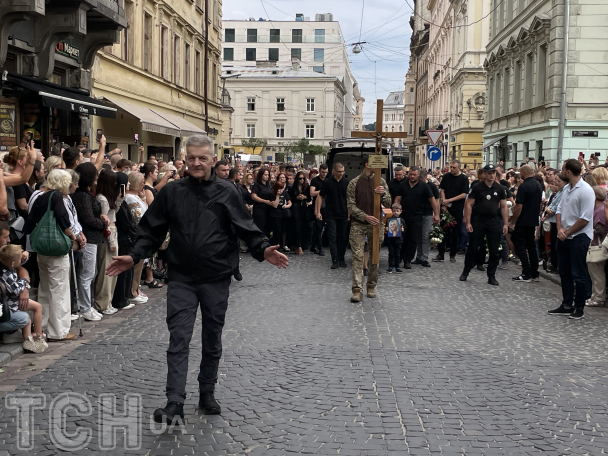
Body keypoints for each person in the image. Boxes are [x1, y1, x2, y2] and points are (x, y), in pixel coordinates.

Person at [106, 135, 288, 424]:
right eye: (191, 157)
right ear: (186, 159)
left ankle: (207, 391)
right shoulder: (172, 192)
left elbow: (246, 226)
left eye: (202, 158)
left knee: (211, 337)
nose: (196, 163)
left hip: (216, 277)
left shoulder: (227, 191)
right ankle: (175, 401)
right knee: (179, 338)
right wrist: (135, 255)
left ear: (213, 160)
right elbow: (151, 229)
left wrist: (263, 248)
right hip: (181, 278)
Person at [24, 169, 78, 341]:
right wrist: (71, 235)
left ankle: (44, 325)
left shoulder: (40, 196)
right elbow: (63, 219)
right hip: (56, 247)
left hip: (42, 247)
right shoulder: (56, 197)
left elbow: (30, 222)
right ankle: (59, 331)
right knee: (60, 289)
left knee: (45, 288)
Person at [548, 159, 595, 320]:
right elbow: (559, 210)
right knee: (564, 271)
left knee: (578, 273)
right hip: (564, 235)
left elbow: (585, 219)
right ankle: (567, 303)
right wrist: (560, 228)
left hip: (579, 237)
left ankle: (579, 306)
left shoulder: (586, 190)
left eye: (562, 169)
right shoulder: (567, 188)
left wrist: (567, 232)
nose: (560, 172)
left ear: (568, 171)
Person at [346, 156, 391, 302]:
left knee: (374, 257)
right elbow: (351, 206)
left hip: (376, 223)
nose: (378, 167)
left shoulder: (381, 182)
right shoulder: (354, 183)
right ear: (367, 164)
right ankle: (357, 289)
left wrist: (382, 193)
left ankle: (371, 285)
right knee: (358, 257)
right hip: (358, 224)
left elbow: (388, 202)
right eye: (375, 163)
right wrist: (365, 216)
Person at [459, 164, 508, 286]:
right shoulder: (477, 187)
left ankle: (491, 275)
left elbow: (504, 206)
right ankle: (466, 272)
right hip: (479, 220)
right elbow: (469, 204)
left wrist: (506, 223)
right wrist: (468, 221)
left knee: (494, 250)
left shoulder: (500, 188)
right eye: (490, 173)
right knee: (473, 248)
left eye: (494, 173)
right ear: (484, 174)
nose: (492, 175)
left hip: (494, 221)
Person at [72, 162, 109, 321]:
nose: (97, 177)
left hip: (92, 237)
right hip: (88, 237)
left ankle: (88, 304)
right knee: (87, 273)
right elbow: (87, 219)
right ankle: (84, 306)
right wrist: (103, 223)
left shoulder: (87, 194)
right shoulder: (82, 196)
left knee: (90, 272)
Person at [0, 244, 47, 353]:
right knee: (37, 308)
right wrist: (24, 280)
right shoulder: (6, 274)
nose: (21, 260)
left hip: (13, 300)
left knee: (32, 315)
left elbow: (18, 262)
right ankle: (37, 337)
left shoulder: (8, 266)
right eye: (19, 258)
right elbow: (15, 289)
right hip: (12, 303)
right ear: (13, 263)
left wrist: (25, 256)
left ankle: (30, 340)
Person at [394, 166, 439, 269]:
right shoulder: (403, 185)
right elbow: (397, 199)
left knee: (413, 239)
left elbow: (433, 200)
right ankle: (399, 257)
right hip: (403, 216)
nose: (412, 176)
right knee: (402, 238)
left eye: (414, 175)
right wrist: (395, 210)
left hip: (417, 216)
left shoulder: (424, 186)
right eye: (410, 174)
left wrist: (436, 214)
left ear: (418, 175)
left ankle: (408, 260)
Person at [509, 165, 543, 282]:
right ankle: (535, 272)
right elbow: (539, 204)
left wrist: (513, 221)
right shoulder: (538, 185)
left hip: (523, 220)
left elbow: (519, 206)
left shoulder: (524, 186)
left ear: (524, 172)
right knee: (531, 246)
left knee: (519, 245)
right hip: (533, 219)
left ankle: (526, 272)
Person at [94, 169, 122, 315]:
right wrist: (111, 241)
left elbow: (113, 212)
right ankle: (103, 302)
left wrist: (119, 199)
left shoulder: (105, 197)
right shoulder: (102, 199)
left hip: (111, 232)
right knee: (107, 269)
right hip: (109, 235)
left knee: (110, 269)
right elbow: (106, 220)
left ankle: (106, 301)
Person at [435, 160, 469, 263]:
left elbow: (464, 194)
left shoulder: (464, 178)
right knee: (442, 230)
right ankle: (441, 253)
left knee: (455, 232)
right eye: (451, 167)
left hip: (457, 208)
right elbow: (443, 190)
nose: (452, 169)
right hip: (446, 207)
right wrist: (444, 202)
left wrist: (450, 200)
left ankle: (452, 254)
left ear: (459, 167)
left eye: (454, 167)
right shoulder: (446, 177)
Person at [316, 163, 349, 269]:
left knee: (343, 237)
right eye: (339, 171)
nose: (341, 173)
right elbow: (320, 196)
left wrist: (350, 213)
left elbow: (350, 199)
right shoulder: (327, 182)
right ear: (333, 171)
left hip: (343, 214)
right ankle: (334, 260)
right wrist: (318, 212)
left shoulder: (346, 183)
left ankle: (341, 258)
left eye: (342, 171)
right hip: (330, 214)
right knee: (332, 237)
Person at [585, 186, 608, 307]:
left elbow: (599, 228)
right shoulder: (598, 208)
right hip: (594, 243)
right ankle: (595, 296)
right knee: (594, 273)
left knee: (597, 273)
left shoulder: (600, 210)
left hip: (596, 244)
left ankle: (598, 297)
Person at [414, 169, 439, 267]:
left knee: (425, 236)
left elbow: (436, 201)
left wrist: (436, 214)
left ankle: (424, 257)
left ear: (424, 178)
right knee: (419, 236)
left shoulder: (432, 186)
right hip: (418, 213)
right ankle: (419, 256)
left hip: (428, 213)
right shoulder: (417, 185)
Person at [542, 175, 566, 273]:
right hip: (552, 221)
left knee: (557, 246)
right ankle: (554, 264)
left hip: (557, 222)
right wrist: (548, 210)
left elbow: (555, 209)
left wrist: (549, 210)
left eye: (558, 180)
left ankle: (557, 266)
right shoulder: (557, 193)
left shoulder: (564, 192)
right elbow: (551, 206)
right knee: (554, 245)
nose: (555, 182)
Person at [269, 173, 292, 252]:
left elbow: (290, 202)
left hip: (283, 213)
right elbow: (274, 205)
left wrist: (287, 206)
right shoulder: (272, 194)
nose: (281, 191)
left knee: (283, 230)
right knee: (276, 231)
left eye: (282, 189)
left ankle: (282, 245)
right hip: (275, 213)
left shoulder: (285, 193)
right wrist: (277, 196)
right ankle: (276, 246)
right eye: (279, 189)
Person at [310, 164, 328, 256]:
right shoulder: (315, 180)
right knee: (318, 227)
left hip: (326, 207)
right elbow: (312, 193)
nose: (324, 174)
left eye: (326, 172)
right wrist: (322, 191)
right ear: (319, 170)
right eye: (323, 172)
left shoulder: (328, 180)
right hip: (317, 207)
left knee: (321, 229)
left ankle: (313, 246)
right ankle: (320, 248)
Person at [251, 166, 274, 238]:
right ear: (261, 175)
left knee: (268, 227)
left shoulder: (269, 185)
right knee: (260, 227)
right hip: (260, 209)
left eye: (268, 175)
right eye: (265, 175)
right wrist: (264, 201)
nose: (267, 176)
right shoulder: (257, 185)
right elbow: (254, 196)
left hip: (268, 209)